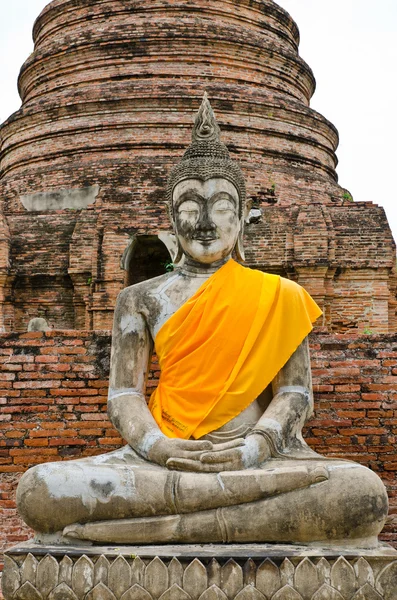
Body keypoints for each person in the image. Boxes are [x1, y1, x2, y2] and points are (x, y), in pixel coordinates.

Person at [17, 95, 388, 546]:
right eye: (191, 208)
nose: (206, 222)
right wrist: (160, 447)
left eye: (222, 207)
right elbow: (124, 396)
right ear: (173, 219)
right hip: (159, 461)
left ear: (242, 217)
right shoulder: (141, 298)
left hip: (258, 459)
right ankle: (218, 520)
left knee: (360, 494)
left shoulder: (281, 295)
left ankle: (170, 528)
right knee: (40, 489)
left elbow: (294, 394)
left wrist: (255, 448)